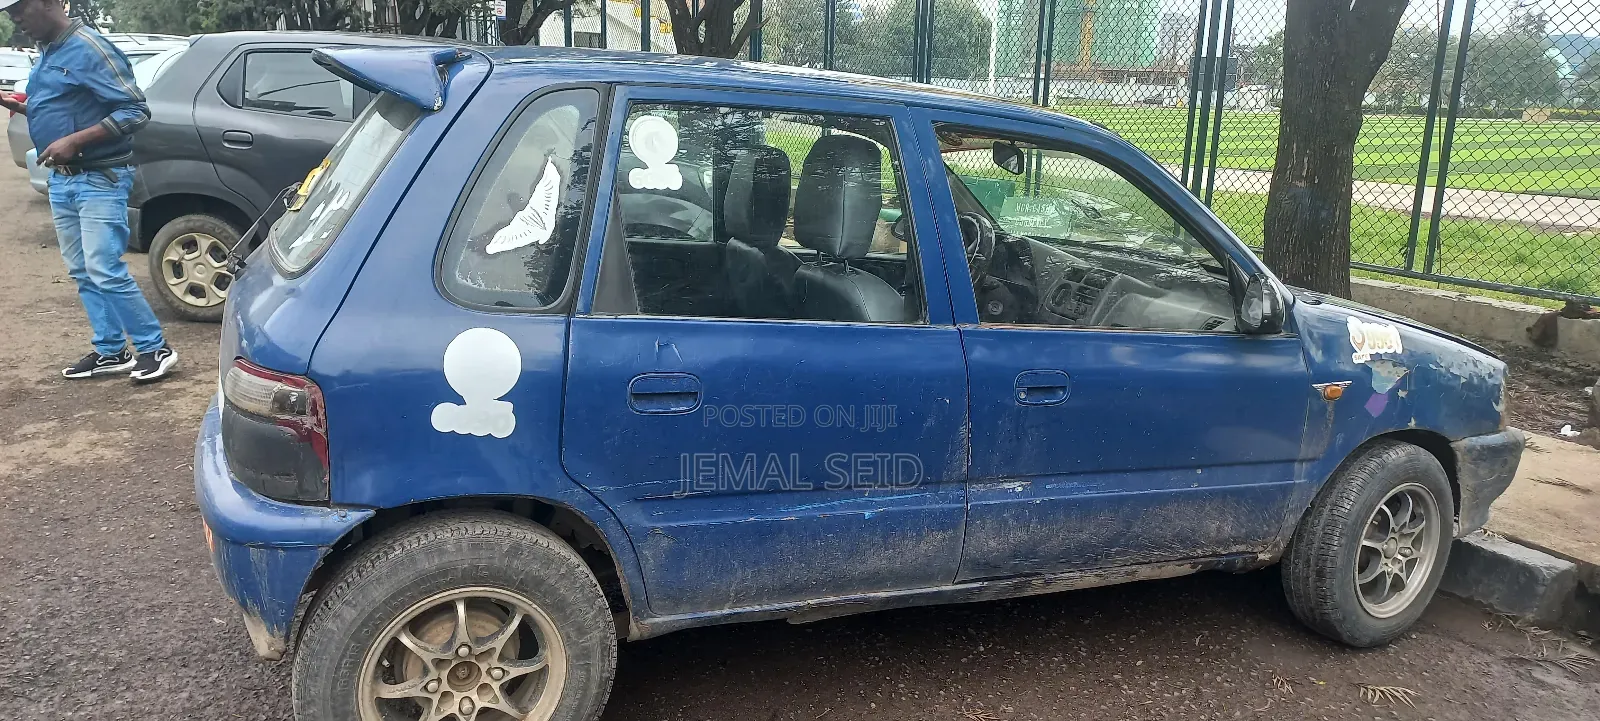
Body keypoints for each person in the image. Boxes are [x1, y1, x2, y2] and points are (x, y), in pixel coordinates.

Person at [0, 0, 177, 382]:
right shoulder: (48, 51)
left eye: (19, 10)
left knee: (104, 268)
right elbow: (67, 109)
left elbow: (135, 111)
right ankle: (111, 350)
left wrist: (77, 141)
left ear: (48, 3)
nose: (14, 20)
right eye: (9, 13)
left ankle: (155, 348)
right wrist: (20, 106)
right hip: (63, 179)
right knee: (83, 271)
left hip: (100, 178)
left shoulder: (89, 47)